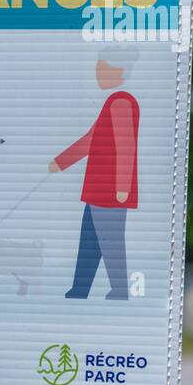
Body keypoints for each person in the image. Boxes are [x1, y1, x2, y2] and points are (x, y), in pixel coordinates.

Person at [49, 46, 140, 300]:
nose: (97, 73)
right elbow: (91, 140)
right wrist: (61, 161)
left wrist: (122, 187)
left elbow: (126, 145)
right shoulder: (113, 101)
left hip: (110, 192)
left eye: (101, 68)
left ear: (118, 71)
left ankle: (120, 290)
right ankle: (80, 289)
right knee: (90, 242)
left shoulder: (121, 102)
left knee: (110, 242)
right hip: (98, 190)